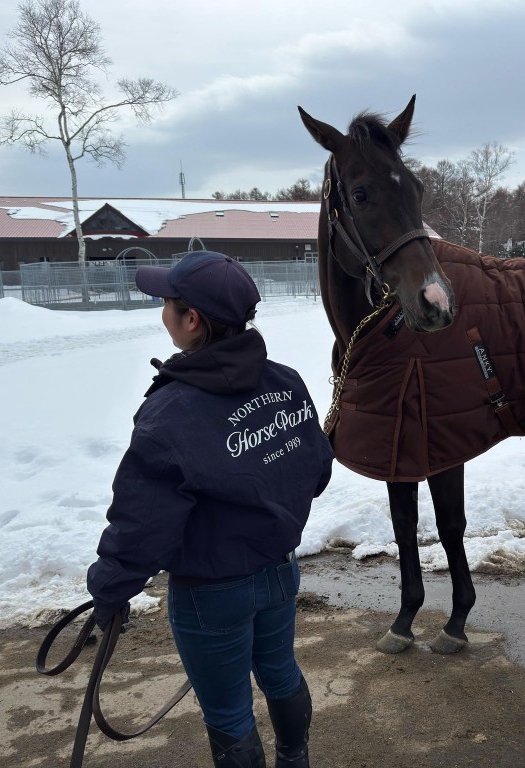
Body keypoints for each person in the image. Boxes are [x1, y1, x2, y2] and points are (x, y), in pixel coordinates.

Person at [86, 251, 334, 768]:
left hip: (211, 592)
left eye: (167, 304)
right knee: (282, 673)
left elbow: (142, 522)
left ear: (191, 320)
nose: (162, 312)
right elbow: (316, 471)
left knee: (228, 713)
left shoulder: (170, 414)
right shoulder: (286, 382)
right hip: (279, 573)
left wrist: (111, 590)